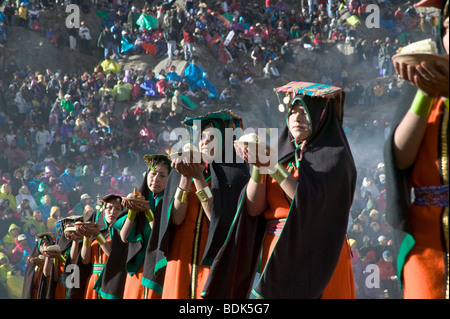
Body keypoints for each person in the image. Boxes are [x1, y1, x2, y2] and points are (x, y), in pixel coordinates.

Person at [203, 82, 357, 299]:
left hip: (320, 251)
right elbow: (254, 208)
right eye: (293, 111)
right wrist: (259, 166)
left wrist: (272, 166)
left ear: (322, 116)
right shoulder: (278, 154)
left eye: (305, 111)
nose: (297, 117)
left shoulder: (335, 158)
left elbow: (311, 205)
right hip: (276, 250)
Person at [384, 0, 449, 299]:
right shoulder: (422, 82)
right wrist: (425, 93)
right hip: (426, 241)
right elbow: (401, 159)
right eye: (447, 28)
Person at [147, 109, 250, 299]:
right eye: (202, 137)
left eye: (212, 138)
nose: (204, 142)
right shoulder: (181, 169)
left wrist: (199, 178)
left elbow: (217, 219)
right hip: (181, 255)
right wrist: (186, 177)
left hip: (210, 256)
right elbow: (176, 219)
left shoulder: (236, 175)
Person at [99, 154, 171, 299]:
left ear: (170, 179)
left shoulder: (170, 202)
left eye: (162, 176)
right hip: (137, 267)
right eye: (153, 174)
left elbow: (161, 234)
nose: (156, 179)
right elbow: (124, 236)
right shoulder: (139, 197)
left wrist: (147, 212)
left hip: (159, 265)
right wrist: (133, 211)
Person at [75, 194, 124, 299]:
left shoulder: (123, 233)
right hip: (94, 280)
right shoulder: (96, 231)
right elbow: (85, 261)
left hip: (113, 280)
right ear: (103, 210)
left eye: (117, 209)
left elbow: (114, 257)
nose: (112, 212)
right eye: (109, 208)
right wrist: (87, 236)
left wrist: (98, 235)